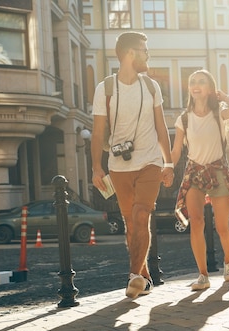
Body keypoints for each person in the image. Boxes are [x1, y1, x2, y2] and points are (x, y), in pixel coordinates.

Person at [91, 31, 174, 299]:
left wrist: (169, 162)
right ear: (130, 54)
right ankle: (144, 276)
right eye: (144, 51)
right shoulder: (104, 89)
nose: (148, 56)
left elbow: (162, 128)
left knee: (141, 215)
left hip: (150, 162)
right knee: (130, 223)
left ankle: (133, 276)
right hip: (118, 166)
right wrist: (96, 167)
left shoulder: (151, 87)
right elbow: (97, 131)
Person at [171, 69, 229, 291]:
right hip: (194, 173)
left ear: (209, 88)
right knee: (197, 222)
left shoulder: (219, 114)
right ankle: (203, 276)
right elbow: (176, 151)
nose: (196, 85)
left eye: (201, 81)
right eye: (192, 82)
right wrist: (166, 168)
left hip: (218, 172)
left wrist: (222, 97)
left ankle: (228, 262)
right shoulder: (183, 119)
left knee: (222, 226)